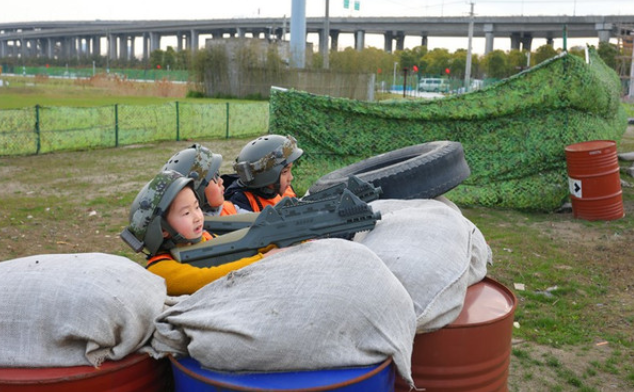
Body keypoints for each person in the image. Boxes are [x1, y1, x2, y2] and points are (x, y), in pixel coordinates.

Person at [122, 170, 270, 296]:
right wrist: (264, 258)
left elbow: (241, 246)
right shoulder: (161, 270)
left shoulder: (204, 238)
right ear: (163, 229)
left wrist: (270, 240)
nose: (198, 217)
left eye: (197, 207)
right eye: (186, 213)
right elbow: (213, 277)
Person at [224, 134, 303, 213]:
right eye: (285, 172)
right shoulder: (241, 200)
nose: (291, 178)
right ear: (266, 176)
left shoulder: (285, 189)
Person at [163, 143, 238, 216]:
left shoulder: (228, 208)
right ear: (197, 191)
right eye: (214, 176)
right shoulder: (187, 227)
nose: (221, 181)